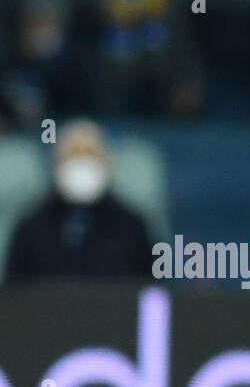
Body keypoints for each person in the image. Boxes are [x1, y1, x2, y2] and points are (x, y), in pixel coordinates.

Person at [3, 120, 154, 286]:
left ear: (107, 163)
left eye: (91, 153)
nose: (82, 162)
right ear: (55, 164)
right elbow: (13, 298)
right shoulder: (30, 228)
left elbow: (153, 294)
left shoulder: (132, 227)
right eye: (72, 154)